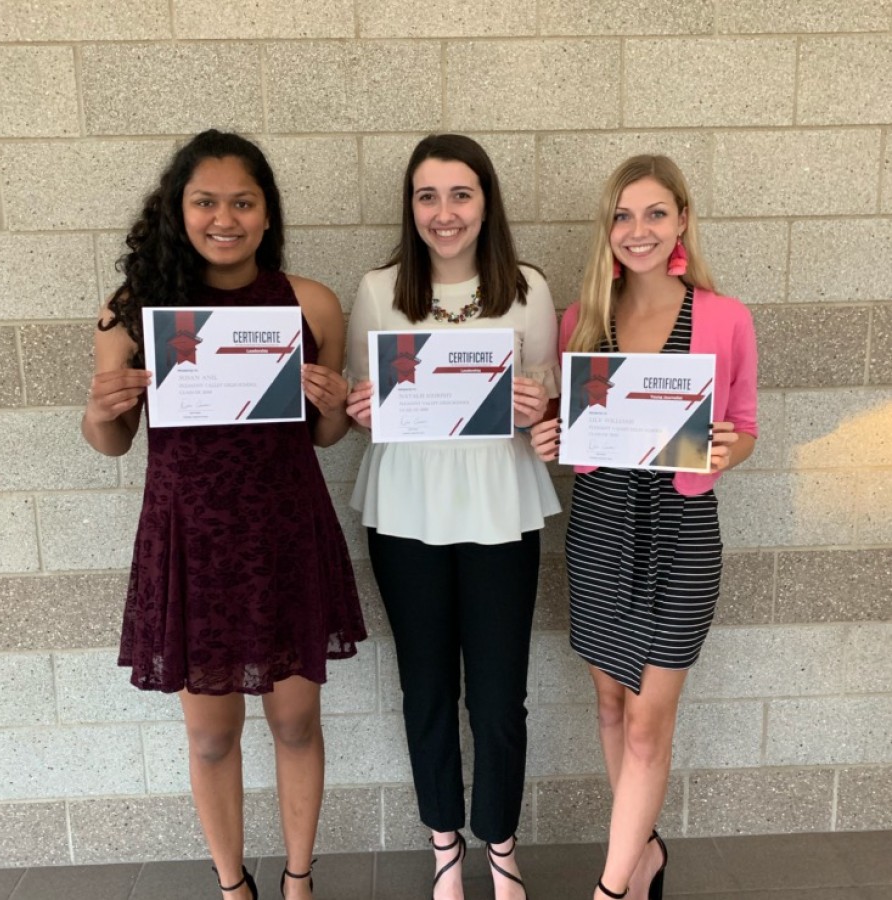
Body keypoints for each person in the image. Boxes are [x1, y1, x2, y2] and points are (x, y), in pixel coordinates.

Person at [81, 129, 366, 900]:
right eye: (206, 201)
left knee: (296, 724)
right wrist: (102, 408)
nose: (225, 218)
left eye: (243, 201)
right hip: (192, 542)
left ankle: (299, 880)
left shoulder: (310, 303)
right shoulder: (134, 311)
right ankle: (233, 887)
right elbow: (109, 443)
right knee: (211, 738)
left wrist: (333, 406)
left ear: (267, 214)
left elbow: (327, 436)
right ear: (180, 210)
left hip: (283, 536)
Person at [530, 155, 758, 900]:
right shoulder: (582, 319)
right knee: (608, 703)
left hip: (684, 531)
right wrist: (552, 440)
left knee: (644, 724)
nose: (639, 230)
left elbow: (748, 426)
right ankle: (645, 854)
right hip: (600, 530)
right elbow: (569, 432)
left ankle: (611, 889)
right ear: (608, 228)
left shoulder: (726, 317)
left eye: (656, 213)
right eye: (623, 216)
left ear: (683, 219)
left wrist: (731, 444)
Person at [345, 133, 561, 900]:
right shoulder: (378, 291)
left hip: (502, 505)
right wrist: (361, 407)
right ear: (410, 206)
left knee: (500, 697)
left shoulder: (529, 288)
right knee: (426, 688)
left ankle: (500, 845)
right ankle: (444, 846)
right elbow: (356, 399)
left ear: (486, 201)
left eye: (460, 194)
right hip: (406, 509)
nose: (444, 212)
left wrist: (544, 405)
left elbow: (550, 410)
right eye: (427, 195)